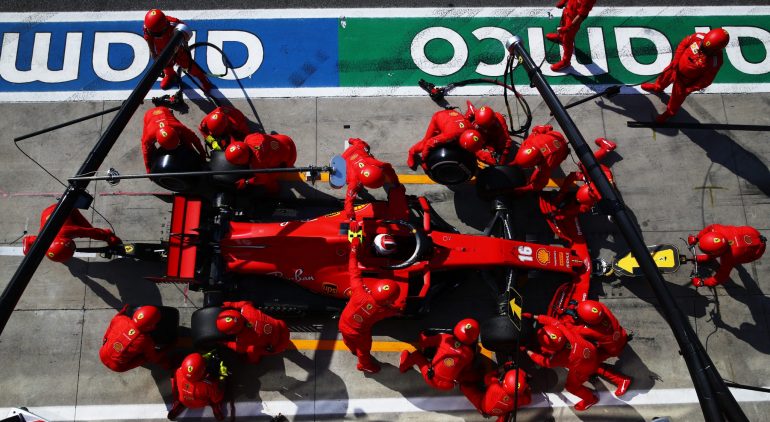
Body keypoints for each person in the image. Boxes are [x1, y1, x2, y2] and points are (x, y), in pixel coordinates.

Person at [338, 226, 405, 373]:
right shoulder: (383, 310)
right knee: (364, 350)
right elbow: (395, 311)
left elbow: (353, 270)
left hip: (343, 323)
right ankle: (364, 365)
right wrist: (399, 309)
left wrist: (354, 247)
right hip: (359, 333)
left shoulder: (359, 292)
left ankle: (351, 348)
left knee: (348, 341)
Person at [641, 29, 730, 122]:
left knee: (676, 99)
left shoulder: (715, 61)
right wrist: (676, 60)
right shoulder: (698, 37)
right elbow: (683, 44)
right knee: (663, 77)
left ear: (715, 50)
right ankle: (657, 87)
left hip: (685, 82)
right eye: (702, 45)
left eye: (705, 49)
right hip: (675, 68)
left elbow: (706, 80)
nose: (701, 48)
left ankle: (670, 112)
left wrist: (690, 88)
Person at [524, 323, 600, 410]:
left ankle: (590, 399)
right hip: (591, 351)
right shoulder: (565, 330)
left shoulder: (560, 359)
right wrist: (535, 316)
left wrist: (528, 351)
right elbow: (553, 321)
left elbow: (545, 362)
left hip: (584, 368)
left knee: (571, 387)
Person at [22, 203, 121, 263]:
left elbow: (91, 232)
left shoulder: (71, 230)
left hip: (65, 209)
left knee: (88, 228)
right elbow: (28, 240)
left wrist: (108, 236)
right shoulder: (42, 239)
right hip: (47, 212)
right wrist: (27, 251)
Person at [142, 9, 213, 92]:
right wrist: (152, 52)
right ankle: (170, 75)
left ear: (165, 26)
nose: (157, 36)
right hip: (161, 51)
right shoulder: (148, 27)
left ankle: (202, 79)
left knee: (189, 66)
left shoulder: (175, 23)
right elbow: (148, 38)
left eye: (158, 33)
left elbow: (185, 31)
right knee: (166, 65)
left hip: (177, 50)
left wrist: (182, 43)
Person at [399, 318, 479, 390]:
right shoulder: (470, 354)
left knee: (416, 355)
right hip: (449, 385)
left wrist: (422, 334)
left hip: (431, 378)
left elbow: (425, 343)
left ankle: (403, 367)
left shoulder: (444, 338)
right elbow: (466, 369)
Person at [343, 138, 408, 221]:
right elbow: (348, 200)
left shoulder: (363, 149)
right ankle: (359, 189)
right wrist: (396, 184)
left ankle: (359, 189)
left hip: (352, 152)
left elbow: (349, 202)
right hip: (344, 160)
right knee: (349, 181)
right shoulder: (353, 182)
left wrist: (352, 218)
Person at [688, 224, 766, 287]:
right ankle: (709, 258)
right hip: (750, 232)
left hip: (756, 251)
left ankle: (711, 258)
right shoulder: (716, 229)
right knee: (727, 254)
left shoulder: (729, 258)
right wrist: (697, 238)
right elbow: (709, 229)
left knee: (737, 260)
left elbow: (722, 276)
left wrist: (703, 282)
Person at [217, 301, 291, 364]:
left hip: (279, 345)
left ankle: (254, 362)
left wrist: (226, 343)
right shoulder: (247, 310)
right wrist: (231, 304)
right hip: (282, 326)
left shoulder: (242, 339)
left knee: (251, 350)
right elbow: (246, 303)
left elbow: (240, 349)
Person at [99, 306, 166, 372]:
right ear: (152, 326)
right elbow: (153, 357)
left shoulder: (120, 319)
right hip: (118, 366)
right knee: (146, 357)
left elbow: (110, 329)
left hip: (102, 353)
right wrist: (169, 347)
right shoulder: (146, 341)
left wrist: (105, 340)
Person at [141, 106, 206, 173]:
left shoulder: (179, 127)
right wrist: (148, 169)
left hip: (164, 110)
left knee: (186, 139)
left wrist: (202, 155)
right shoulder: (149, 136)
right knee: (150, 149)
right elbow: (145, 151)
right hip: (148, 116)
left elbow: (195, 139)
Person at [407, 109, 477, 170]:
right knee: (424, 143)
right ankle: (412, 151)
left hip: (452, 116)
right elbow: (429, 143)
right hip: (439, 117)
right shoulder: (449, 136)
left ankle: (470, 113)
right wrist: (424, 161)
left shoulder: (471, 128)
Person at [510, 125, 570, 195]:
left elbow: (540, 184)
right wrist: (513, 163)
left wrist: (523, 189)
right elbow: (538, 129)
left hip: (561, 150)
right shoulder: (530, 141)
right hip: (554, 135)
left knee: (534, 178)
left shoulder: (548, 163)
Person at [230, 132, 298, 192]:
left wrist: (246, 182)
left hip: (290, 156)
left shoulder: (257, 165)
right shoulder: (249, 138)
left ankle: (275, 192)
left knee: (269, 180)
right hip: (285, 139)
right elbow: (257, 148)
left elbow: (263, 180)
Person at [167, 353, 226, 421]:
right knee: (216, 398)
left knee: (173, 381)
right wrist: (222, 378)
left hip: (183, 400)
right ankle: (216, 409)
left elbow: (174, 386)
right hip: (201, 403)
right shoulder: (209, 384)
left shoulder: (178, 372)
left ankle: (177, 404)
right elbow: (217, 398)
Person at [460, 367, 531, 421]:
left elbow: (487, 378)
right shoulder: (519, 400)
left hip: (482, 405)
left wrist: (499, 370)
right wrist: (527, 387)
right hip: (497, 412)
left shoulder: (495, 386)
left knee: (464, 386)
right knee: (505, 416)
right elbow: (528, 400)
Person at [545, 0, 597, 71]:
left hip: (573, 22)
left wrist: (569, 27)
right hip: (567, 11)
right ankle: (561, 37)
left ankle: (566, 62)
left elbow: (581, 16)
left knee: (568, 40)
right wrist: (563, 1)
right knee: (562, 24)